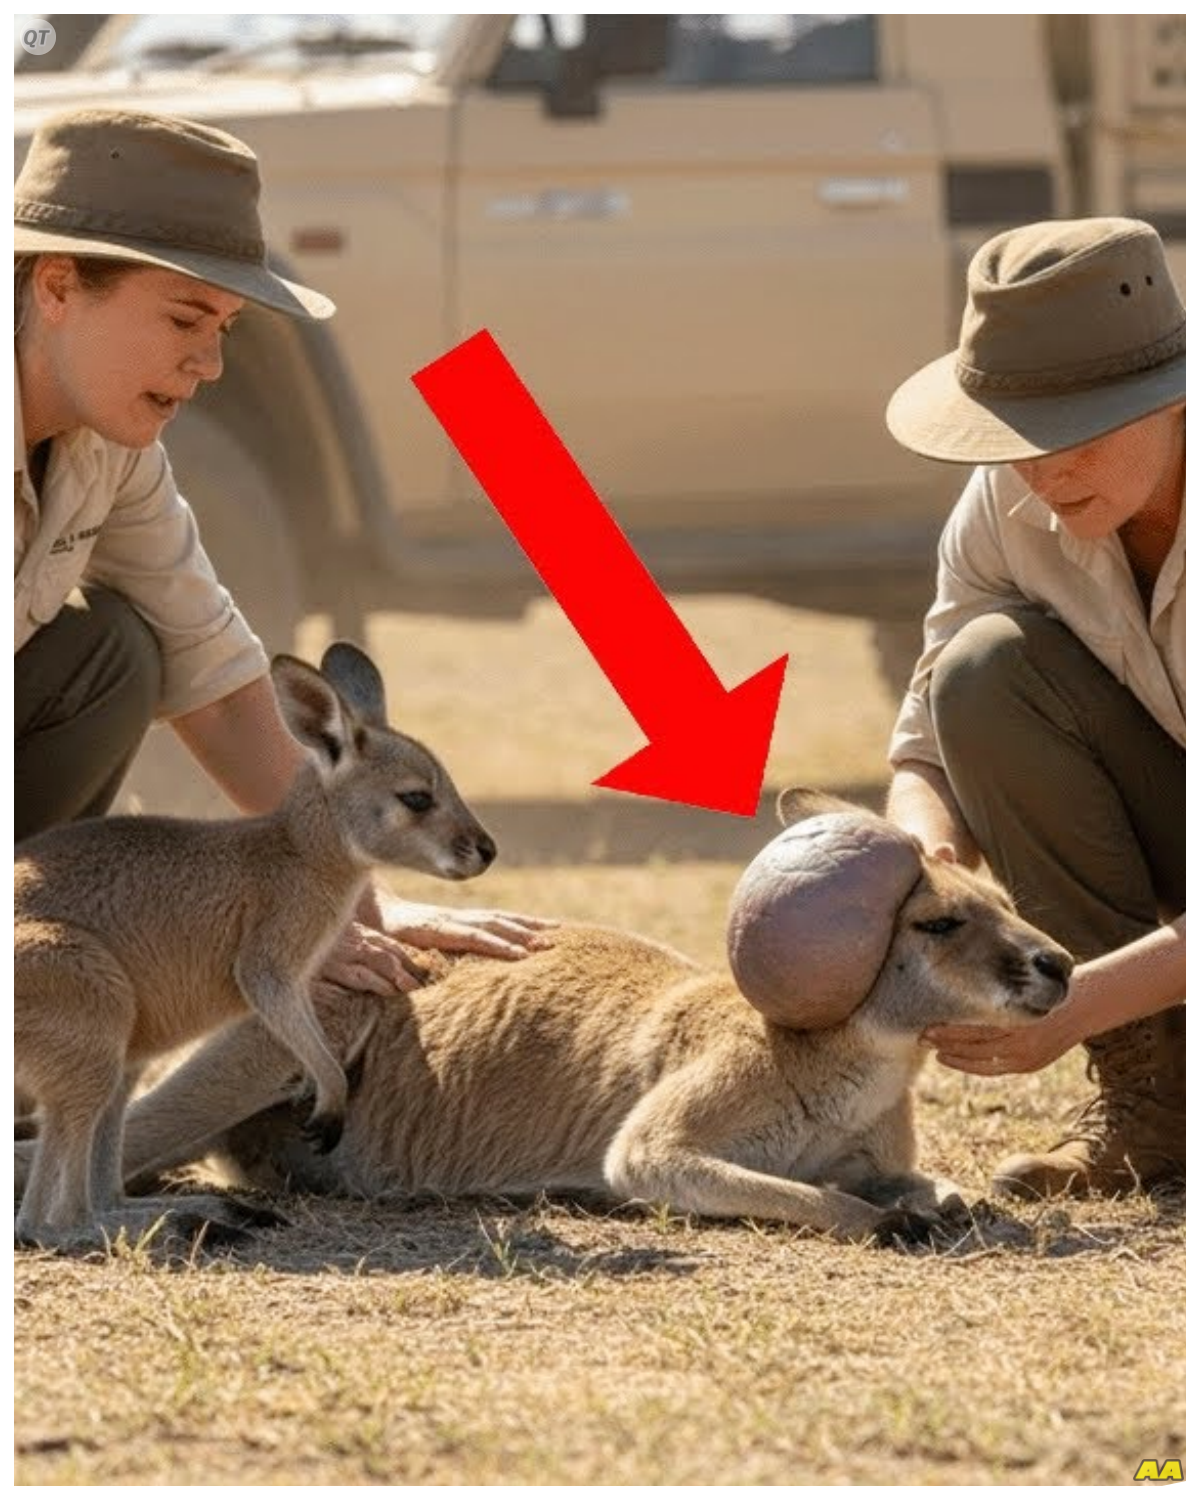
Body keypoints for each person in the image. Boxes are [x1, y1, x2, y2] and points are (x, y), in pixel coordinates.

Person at [14, 106, 549, 992]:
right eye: (186, 319)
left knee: (115, 653)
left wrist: (354, 904)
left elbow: (217, 678)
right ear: (59, 287)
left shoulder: (111, 445)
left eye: (224, 328)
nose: (210, 364)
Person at [882, 216, 1184, 1199]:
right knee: (983, 671)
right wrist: (912, 862)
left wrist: (1079, 1002)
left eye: (1078, 431)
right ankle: (1159, 1102)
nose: (1044, 473)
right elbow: (933, 723)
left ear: (1170, 397)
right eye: (1015, 438)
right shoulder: (1005, 501)